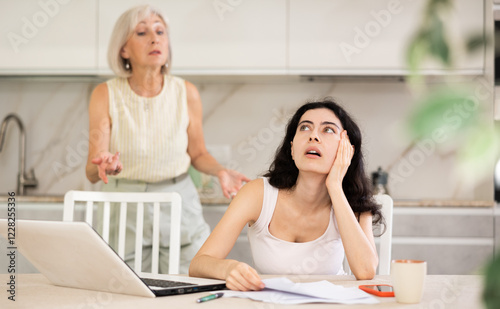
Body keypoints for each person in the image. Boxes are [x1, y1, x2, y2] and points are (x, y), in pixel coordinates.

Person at [85, 5, 249, 274]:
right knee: (125, 290)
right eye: (142, 32)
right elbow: (92, 170)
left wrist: (220, 170)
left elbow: (197, 153)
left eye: (160, 31)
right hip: (125, 207)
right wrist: (102, 164)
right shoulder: (105, 94)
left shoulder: (186, 92)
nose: (155, 38)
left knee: (190, 283)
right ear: (123, 49)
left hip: (179, 203)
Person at [189, 99, 384, 291]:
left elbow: (365, 271)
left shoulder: (354, 203)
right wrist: (228, 268)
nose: (313, 136)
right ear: (292, 148)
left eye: (328, 129)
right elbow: (198, 264)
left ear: (347, 150)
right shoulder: (258, 194)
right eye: (305, 128)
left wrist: (334, 186)